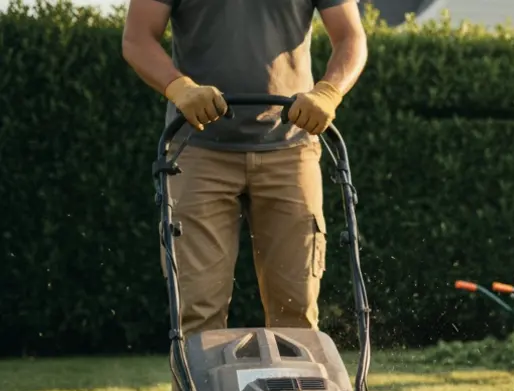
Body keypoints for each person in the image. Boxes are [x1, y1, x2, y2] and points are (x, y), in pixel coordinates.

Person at [121, 0, 368, 337]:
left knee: (295, 314)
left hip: (291, 151)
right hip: (197, 151)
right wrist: (180, 88)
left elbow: (351, 37)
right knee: (196, 315)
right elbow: (137, 38)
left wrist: (328, 91)